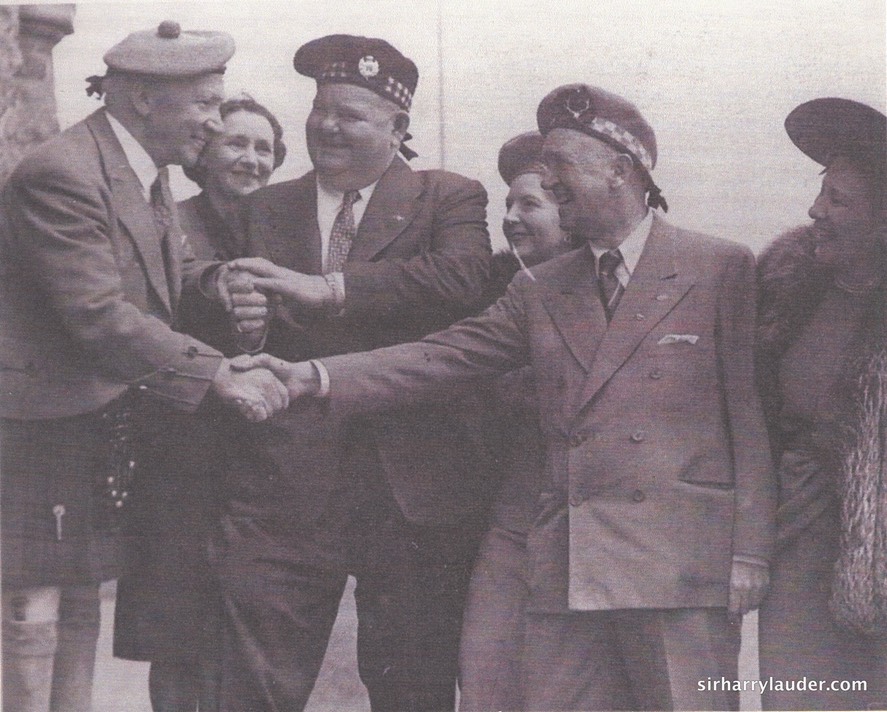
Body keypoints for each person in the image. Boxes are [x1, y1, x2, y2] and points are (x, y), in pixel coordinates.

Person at [234, 83, 777, 711]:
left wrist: (750, 551)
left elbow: (749, 420)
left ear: (620, 171)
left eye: (560, 166)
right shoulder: (542, 288)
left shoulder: (718, 266)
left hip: (678, 564)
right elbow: (440, 356)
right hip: (566, 563)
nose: (547, 179)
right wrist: (311, 376)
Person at [0, 21, 287, 712]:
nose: (215, 122)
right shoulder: (63, 172)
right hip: (43, 422)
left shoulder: (137, 166)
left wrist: (214, 282)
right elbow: (99, 311)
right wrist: (216, 373)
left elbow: (162, 270)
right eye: (206, 104)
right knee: (32, 604)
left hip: (90, 416)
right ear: (143, 99)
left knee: (76, 600)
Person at [212, 34, 493, 712]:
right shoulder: (262, 208)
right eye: (319, 108)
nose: (327, 125)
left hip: (411, 491)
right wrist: (241, 319)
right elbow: (228, 320)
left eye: (350, 114)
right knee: (256, 685)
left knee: (411, 686)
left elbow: (462, 280)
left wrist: (330, 288)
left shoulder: (446, 197)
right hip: (284, 487)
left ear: (398, 128)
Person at [113, 95, 287, 712]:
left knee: (254, 638)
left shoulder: (289, 230)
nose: (250, 158)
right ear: (204, 153)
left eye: (264, 148)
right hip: (180, 455)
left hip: (262, 459)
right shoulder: (167, 222)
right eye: (236, 143)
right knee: (178, 634)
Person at [756, 97, 887, 710]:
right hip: (801, 543)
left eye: (839, 201)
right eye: (821, 194)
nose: (816, 211)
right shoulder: (782, 283)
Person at [458, 130, 570, 711]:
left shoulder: (617, 292)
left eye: (530, 204)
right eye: (507, 205)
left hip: (590, 535)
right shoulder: (491, 291)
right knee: (486, 683)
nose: (511, 218)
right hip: (510, 520)